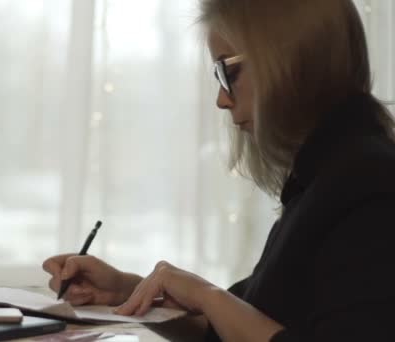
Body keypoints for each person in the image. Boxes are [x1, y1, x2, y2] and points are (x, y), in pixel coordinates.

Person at [43, 0, 395, 341]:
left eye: (229, 71)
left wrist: (209, 296)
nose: (222, 100)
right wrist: (129, 292)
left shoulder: (369, 185)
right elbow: (247, 324)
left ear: (289, 59)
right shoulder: (326, 180)